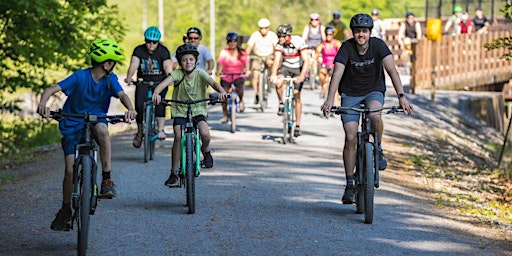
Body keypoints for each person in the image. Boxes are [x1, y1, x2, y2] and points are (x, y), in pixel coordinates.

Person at [37, 39, 137, 231]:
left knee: (102, 130)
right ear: (106, 63)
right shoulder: (80, 77)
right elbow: (50, 90)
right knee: (69, 170)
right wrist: (43, 104)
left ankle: (107, 179)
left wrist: (130, 109)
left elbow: (122, 95)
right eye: (113, 62)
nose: (113, 65)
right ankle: (66, 208)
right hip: (72, 123)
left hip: (96, 119)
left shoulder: (110, 79)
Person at [320, 14, 413, 204]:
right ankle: (349, 184)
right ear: (353, 33)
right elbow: (337, 73)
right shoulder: (346, 48)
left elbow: (392, 71)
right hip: (350, 93)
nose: (361, 35)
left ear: (370, 32)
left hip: (373, 91)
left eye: (364, 31)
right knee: (351, 135)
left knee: (375, 115)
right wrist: (330, 99)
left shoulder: (378, 45)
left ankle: (377, 148)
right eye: (357, 31)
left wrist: (401, 97)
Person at [152, 43, 228, 187]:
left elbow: (213, 83)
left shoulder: (201, 73)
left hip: (198, 109)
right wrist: (156, 93)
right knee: (178, 136)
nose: (188, 62)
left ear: (196, 61)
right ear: (180, 62)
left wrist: (222, 92)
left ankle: (205, 150)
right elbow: (163, 84)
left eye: (191, 60)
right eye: (185, 60)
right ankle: (174, 172)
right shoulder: (177, 74)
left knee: (205, 133)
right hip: (180, 109)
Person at [124, 26, 173, 148]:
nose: (151, 44)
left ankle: (161, 129)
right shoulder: (139, 50)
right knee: (139, 106)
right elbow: (134, 64)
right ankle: (140, 133)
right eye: (148, 41)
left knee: (160, 102)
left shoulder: (163, 50)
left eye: (154, 42)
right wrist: (129, 77)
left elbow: (167, 66)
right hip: (143, 82)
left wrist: (171, 77)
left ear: (158, 42)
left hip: (159, 83)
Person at [270, 24, 310, 137]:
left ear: (288, 36)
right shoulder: (279, 44)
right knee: (278, 83)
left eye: (281, 36)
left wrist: (302, 76)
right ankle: (281, 103)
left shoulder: (298, 41)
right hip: (286, 67)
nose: (279, 39)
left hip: (298, 68)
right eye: (278, 36)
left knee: (296, 95)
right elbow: (277, 60)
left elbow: (306, 60)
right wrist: (273, 74)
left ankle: (297, 125)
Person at [217, 32, 250, 122]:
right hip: (226, 75)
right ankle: (225, 115)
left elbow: (246, 63)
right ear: (227, 42)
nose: (232, 43)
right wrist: (218, 71)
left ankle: (241, 100)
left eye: (234, 41)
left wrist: (247, 71)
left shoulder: (242, 52)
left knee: (240, 88)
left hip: (238, 75)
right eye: (230, 41)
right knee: (223, 94)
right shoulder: (224, 51)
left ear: (237, 42)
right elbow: (220, 63)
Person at [246, 18, 278, 105]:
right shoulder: (255, 35)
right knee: (255, 75)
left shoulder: (272, 36)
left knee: (271, 64)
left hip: (269, 56)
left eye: (265, 28)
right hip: (258, 56)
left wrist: (274, 59)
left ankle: (270, 79)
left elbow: (277, 49)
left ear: (268, 28)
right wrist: (246, 56)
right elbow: (249, 48)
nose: (263, 30)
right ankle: (256, 93)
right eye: (261, 28)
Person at [316, 25, 341, 98]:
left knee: (335, 83)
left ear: (333, 35)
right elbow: (317, 54)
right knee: (321, 72)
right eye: (327, 34)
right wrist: (318, 59)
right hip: (325, 64)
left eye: (330, 34)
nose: (328, 36)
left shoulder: (337, 43)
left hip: (334, 65)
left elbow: (342, 54)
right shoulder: (322, 44)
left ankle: (335, 103)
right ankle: (323, 86)